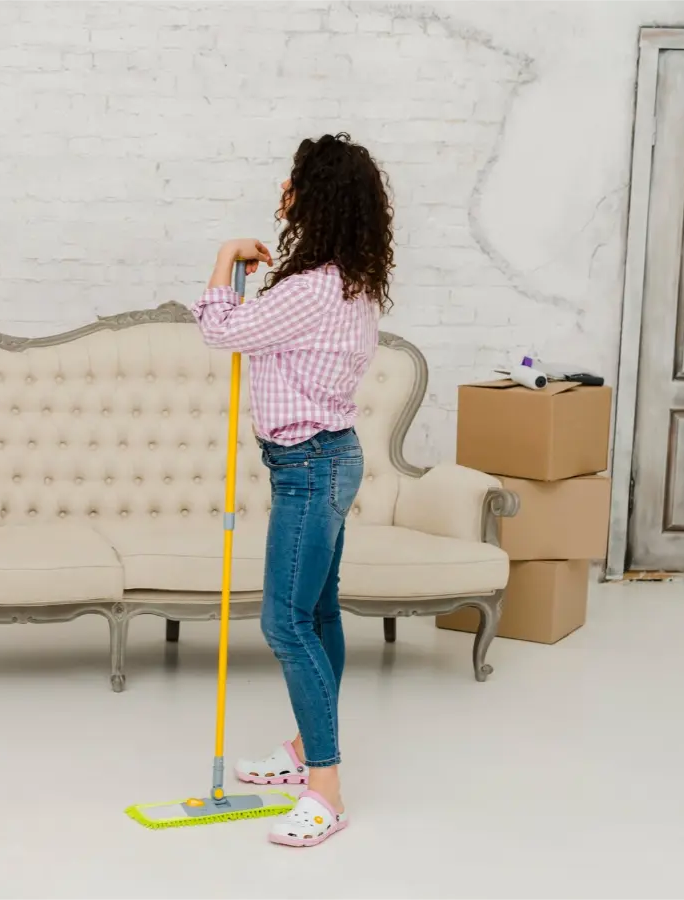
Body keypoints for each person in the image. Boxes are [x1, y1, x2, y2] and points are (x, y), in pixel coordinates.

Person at [191, 133, 394, 848]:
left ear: (317, 197)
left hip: (309, 467)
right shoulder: (353, 283)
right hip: (330, 459)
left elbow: (222, 331)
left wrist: (224, 256)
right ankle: (308, 752)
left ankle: (326, 791)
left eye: (294, 181)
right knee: (317, 612)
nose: (284, 190)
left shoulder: (310, 290)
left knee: (283, 622)